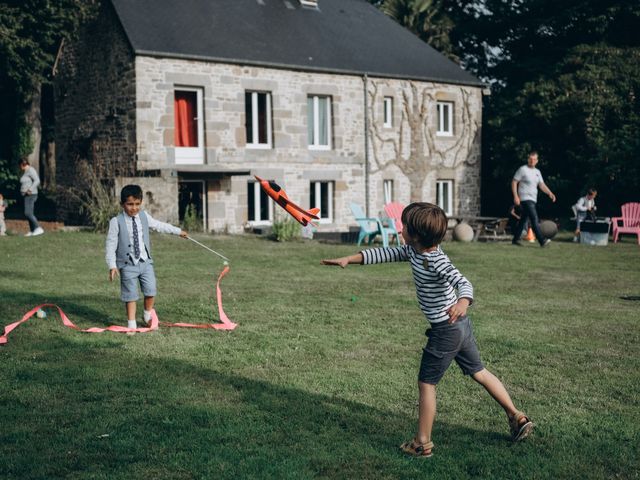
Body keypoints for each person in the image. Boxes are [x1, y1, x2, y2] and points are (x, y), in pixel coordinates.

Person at [322, 202, 534, 458]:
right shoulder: (414, 251)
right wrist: (349, 259)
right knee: (479, 372)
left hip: (447, 329)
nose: (401, 229)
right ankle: (517, 416)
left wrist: (463, 301)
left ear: (416, 235)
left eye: (405, 226)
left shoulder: (435, 259)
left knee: (427, 383)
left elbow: (463, 282)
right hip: (459, 328)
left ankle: (422, 443)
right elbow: (384, 254)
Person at [106, 184, 188, 333]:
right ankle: (131, 324)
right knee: (130, 295)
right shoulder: (116, 222)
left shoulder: (144, 216)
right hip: (127, 264)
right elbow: (111, 245)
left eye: (137, 204)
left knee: (151, 290)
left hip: (145, 262)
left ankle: (147, 315)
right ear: (122, 204)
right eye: (130, 204)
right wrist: (112, 265)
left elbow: (159, 226)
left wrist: (177, 231)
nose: (134, 208)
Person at [511, 151, 556, 247]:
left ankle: (515, 240)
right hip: (525, 198)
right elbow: (514, 182)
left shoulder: (537, 172)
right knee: (534, 218)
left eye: (534, 159)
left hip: (533, 199)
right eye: (530, 159)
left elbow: (541, 185)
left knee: (523, 219)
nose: (532, 161)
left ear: (537, 161)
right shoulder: (522, 169)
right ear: (528, 159)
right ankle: (542, 240)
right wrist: (516, 196)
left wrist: (550, 193)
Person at [19, 158, 44, 237]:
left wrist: (30, 189)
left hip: (31, 194)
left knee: (27, 213)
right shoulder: (25, 172)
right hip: (26, 195)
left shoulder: (31, 170)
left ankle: (38, 228)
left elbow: (37, 180)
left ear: (22, 164)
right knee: (29, 213)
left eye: (19, 165)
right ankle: (32, 230)